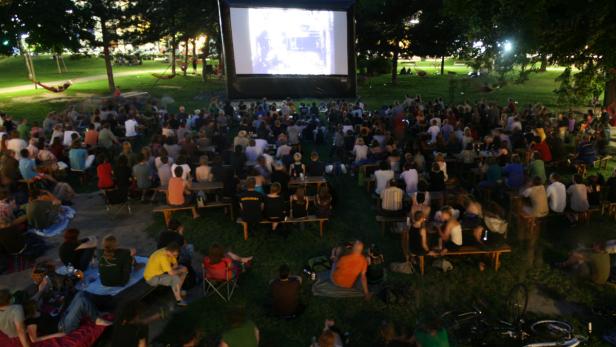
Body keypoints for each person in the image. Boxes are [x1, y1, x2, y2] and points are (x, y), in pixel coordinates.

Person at [23, 291, 112, 342]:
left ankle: (97, 313)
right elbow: (34, 339)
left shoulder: (38, 312)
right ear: (32, 307)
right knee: (81, 301)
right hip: (64, 326)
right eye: (36, 302)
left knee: (80, 293)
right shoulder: (31, 321)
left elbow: (38, 296)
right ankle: (96, 319)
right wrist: (59, 334)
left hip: (62, 317)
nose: (38, 302)